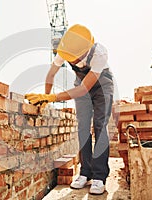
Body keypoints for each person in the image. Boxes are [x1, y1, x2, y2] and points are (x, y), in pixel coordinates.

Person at [25, 24, 114, 195]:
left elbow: (84, 90)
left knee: (100, 126)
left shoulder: (99, 53)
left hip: (102, 86)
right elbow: (51, 75)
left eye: (72, 58)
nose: (69, 61)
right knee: (82, 127)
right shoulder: (65, 51)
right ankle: (85, 173)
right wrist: (46, 98)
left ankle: (99, 177)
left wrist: (53, 97)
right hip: (81, 84)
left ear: (83, 51)